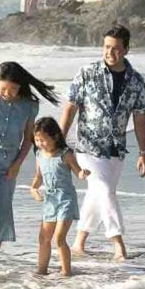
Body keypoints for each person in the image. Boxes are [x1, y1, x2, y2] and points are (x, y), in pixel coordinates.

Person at [59, 25, 145, 261]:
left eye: (117, 48)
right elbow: (71, 107)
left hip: (116, 150)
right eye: (107, 47)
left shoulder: (136, 81)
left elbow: (140, 117)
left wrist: (143, 152)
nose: (111, 52)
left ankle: (79, 242)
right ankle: (118, 243)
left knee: (97, 194)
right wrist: (59, 140)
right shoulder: (87, 72)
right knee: (104, 191)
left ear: (126, 50)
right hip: (88, 147)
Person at [0, 61, 59, 279]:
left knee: (2, 213)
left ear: (20, 86)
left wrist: (17, 165)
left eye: (12, 89)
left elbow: (28, 139)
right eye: (3, 88)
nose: (7, 93)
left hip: (8, 165)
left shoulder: (28, 105)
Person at [30, 117, 90, 277]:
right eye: (37, 140)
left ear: (55, 137)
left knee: (59, 238)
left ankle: (66, 273)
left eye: (43, 140)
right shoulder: (39, 154)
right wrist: (34, 189)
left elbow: (78, 173)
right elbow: (38, 177)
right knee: (43, 238)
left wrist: (83, 173)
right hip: (50, 200)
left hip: (65, 199)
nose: (39, 143)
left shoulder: (65, 154)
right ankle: (42, 271)